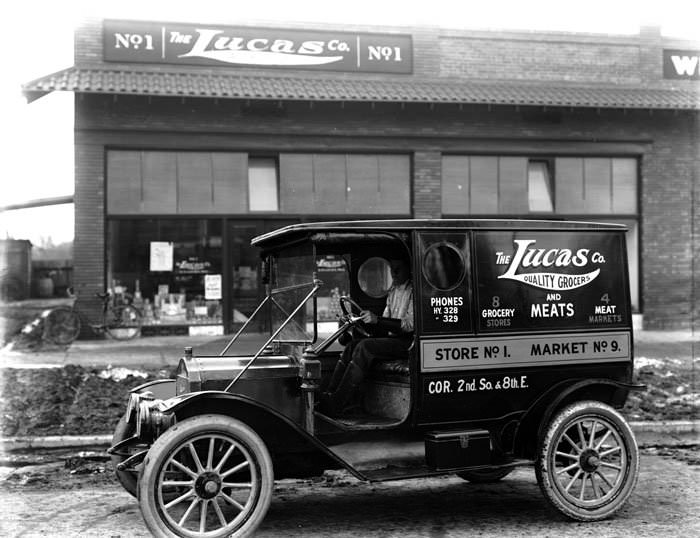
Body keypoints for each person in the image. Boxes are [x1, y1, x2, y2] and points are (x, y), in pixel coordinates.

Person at [319, 257, 413, 417]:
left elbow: (409, 325)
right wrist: (363, 322)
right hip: (393, 340)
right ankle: (328, 396)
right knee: (352, 346)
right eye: (392, 269)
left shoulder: (414, 291)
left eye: (399, 269)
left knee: (364, 347)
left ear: (408, 270)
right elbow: (384, 322)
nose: (394, 273)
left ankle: (337, 403)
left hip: (408, 343)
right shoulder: (393, 291)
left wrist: (378, 320)